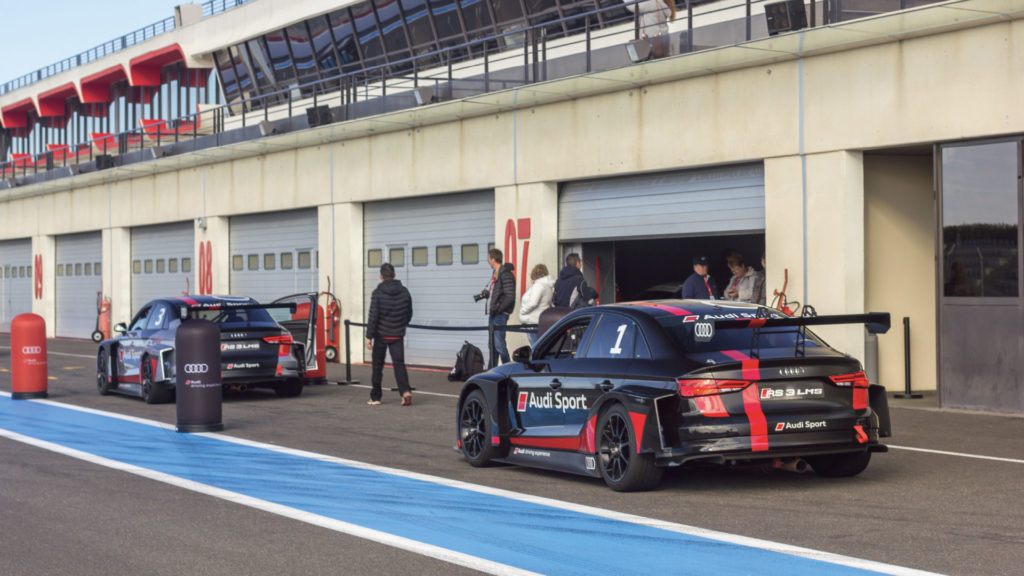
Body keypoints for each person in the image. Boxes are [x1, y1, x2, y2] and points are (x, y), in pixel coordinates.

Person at [365, 262, 413, 406]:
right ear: (394, 275)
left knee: (377, 366)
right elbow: (409, 313)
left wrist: (369, 337)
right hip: (397, 334)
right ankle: (405, 392)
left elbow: (373, 316)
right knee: (399, 365)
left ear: (381, 276)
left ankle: (376, 397)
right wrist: (401, 325)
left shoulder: (377, 293)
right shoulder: (405, 292)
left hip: (381, 335)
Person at [486, 248, 516, 367]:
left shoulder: (506, 274)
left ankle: (508, 369)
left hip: (499, 315)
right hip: (493, 314)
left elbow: (510, 296)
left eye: (489, 258)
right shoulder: (495, 273)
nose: (488, 261)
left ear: (493, 259)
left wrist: (497, 308)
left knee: (499, 345)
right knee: (492, 346)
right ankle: (491, 371)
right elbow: (497, 293)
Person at [519, 263, 555, 345]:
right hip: (542, 320)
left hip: (533, 322)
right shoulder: (548, 286)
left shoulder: (538, 286)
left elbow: (533, 303)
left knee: (535, 348)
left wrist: (523, 312)